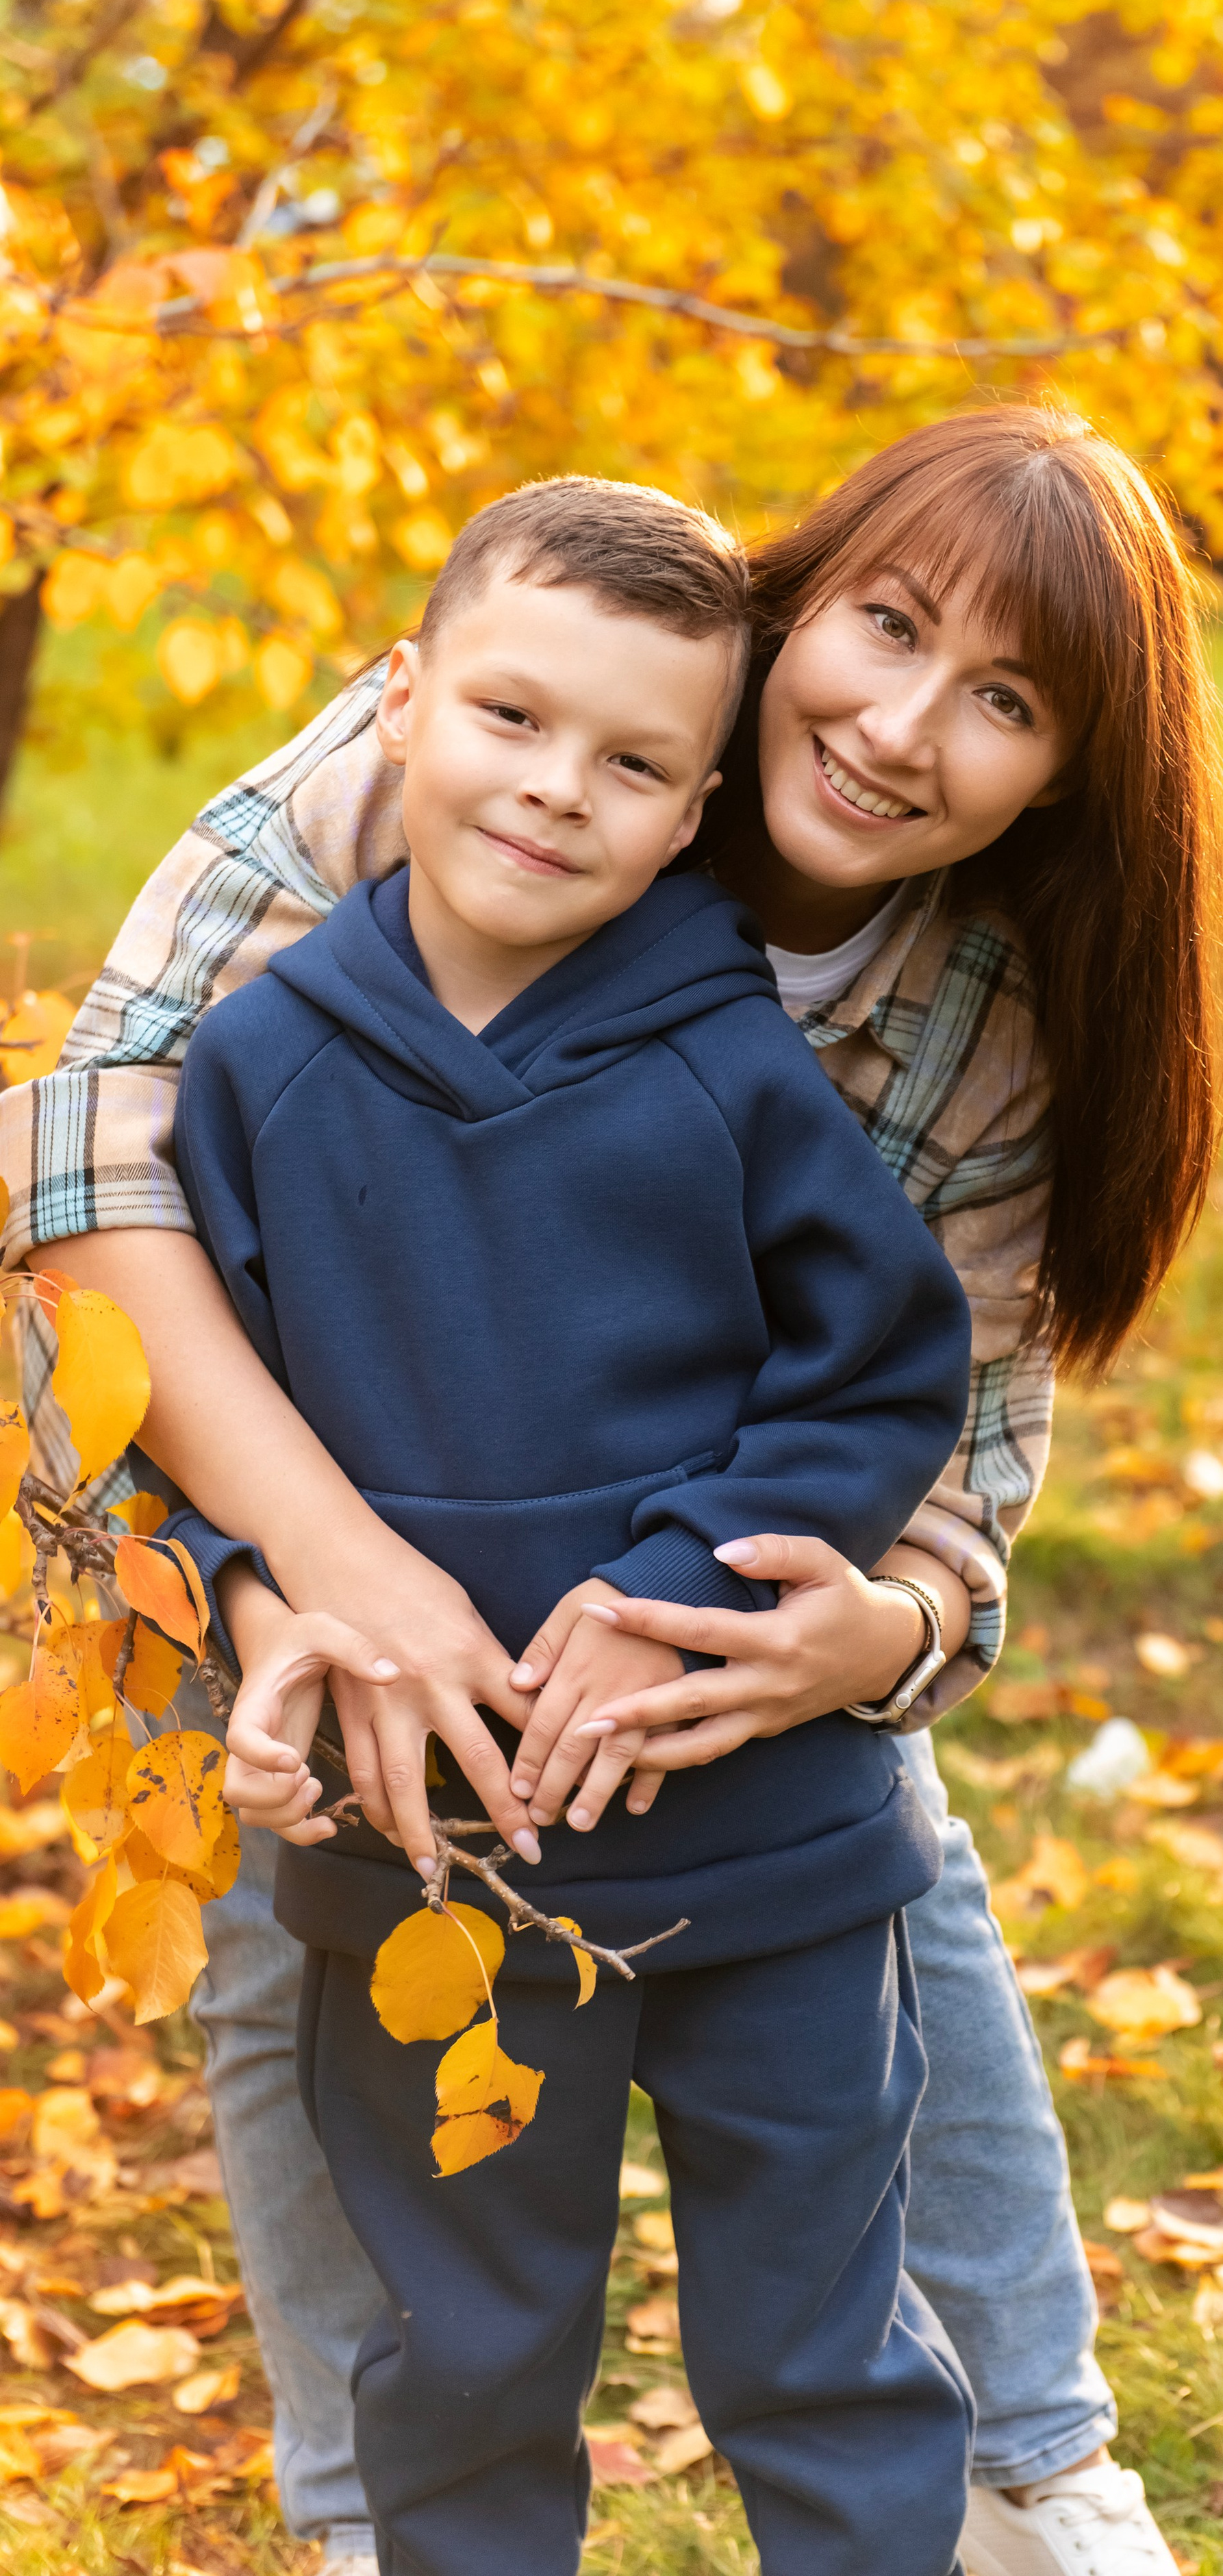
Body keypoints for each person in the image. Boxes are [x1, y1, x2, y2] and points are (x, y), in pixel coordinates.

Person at [0, 404, 1223, 2576]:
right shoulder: (451, 768)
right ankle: (379, 2520)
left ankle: (1035, 2474)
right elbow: (95, 1183)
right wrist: (290, 1580)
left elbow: (944, 1400)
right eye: (885, 628)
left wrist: (893, 1628)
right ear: (787, 606)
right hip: (325, 1542)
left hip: (704, 1640)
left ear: (1067, 776)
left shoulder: (979, 1021)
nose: (900, 728)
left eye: (1008, 702)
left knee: (879, 1876)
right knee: (320, 1969)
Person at [157, 472, 979, 2576]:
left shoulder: (736, 1078)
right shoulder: (252, 1069)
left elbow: (881, 1376)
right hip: (430, 1861)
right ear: (404, 702)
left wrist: (692, 1589)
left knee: (818, 2344)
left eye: (632, 765)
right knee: (465, 2350)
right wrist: (262, 1627)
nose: (554, 794)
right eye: (512, 720)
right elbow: (183, 1415)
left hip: (760, 1844)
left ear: (698, 798)